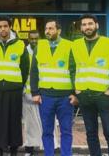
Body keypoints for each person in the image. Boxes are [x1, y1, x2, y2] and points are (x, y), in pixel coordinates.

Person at [72, 14, 109, 156]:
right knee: (91, 133)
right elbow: (72, 68)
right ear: (81, 28)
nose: (87, 27)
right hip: (84, 95)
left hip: (104, 95)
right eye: (84, 24)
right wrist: (75, 89)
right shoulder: (75, 45)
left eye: (90, 23)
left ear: (97, 25)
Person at [0, 16, 30, 156]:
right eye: (0, 27)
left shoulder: (20, 44)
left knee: (14, 120)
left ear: (10, 27)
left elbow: (25, 67)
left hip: (14, 89)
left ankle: (14, 149)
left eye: (5, 26)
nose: (3, 29)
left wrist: (18, 84)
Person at [30, 20, 78, 156]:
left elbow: (75, 70)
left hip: (65, 97)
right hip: (45, 97)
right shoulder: (39, 46)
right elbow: (34, 71)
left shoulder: (70, 46)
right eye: (46, 29)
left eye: (51, 28)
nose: (47, 31)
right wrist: (35, 92)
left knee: (66, 131)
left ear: (59, 30)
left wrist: (75, 93)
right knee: (46, 131)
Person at [22, 30, 42, 156]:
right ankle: (29, 147)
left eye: (36, 39)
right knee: (29, 123)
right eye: (32, 39)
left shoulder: (43, 50)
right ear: (28, 39)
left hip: (42, 92)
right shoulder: (24, 51)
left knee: (43, 121)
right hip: (27, 93)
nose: (34, 41)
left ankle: (42, 144)